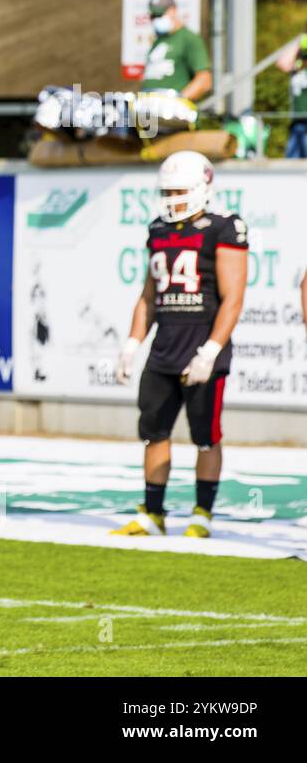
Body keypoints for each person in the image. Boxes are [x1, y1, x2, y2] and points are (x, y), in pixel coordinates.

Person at [113, 151, 247, 539]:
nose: (172, 197)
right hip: (164, 347)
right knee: (154, 432)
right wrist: (132, 342)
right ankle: (153, 513)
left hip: (202, 345)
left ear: (202, 188)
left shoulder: (224, 228)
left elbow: (233, 297)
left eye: (180, 190)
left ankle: (203, 513)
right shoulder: (158, 230)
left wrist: (211, 349)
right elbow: (148, 295)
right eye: (167, 190)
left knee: (206, 436)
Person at [140, 0, 212, 103]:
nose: (155, 19)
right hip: (148, 112)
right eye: (152, 16)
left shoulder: (189, 38)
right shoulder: (158, 41)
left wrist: (177, 103)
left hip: (171, 115)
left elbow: (204, 81)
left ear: (173, 10)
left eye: (159, 15)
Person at [273, 32, 307, 158]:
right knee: (291, 167)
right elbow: (283, 63)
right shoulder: (298, 65)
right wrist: (300, 41)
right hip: (297, 124)